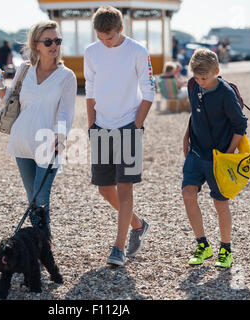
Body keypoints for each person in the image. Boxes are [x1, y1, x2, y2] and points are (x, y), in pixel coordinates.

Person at [0, 21, 77, 234]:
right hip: (21, 140)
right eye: (48, 41)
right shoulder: (25, 69)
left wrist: (60, 138)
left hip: (48, 143)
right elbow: (7, 100)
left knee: (40, 197)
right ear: (36, 44)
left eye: (57, 40)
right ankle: (40, 246)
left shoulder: (67, 76)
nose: (54, 45)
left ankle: (41, 246)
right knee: (32, 199)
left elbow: (66, 113)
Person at [84, 6, 155, 266]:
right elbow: (90, 89)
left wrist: (136, 126)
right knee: (105, 189)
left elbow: (149, 91)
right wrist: (91, 124)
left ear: (120, 29)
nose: (106, 43)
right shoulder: (91, 52)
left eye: (110, 37)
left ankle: (118, 247)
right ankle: (138, 224)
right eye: (101, 38)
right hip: (101, 126)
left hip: (128, 126)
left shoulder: (137, 51)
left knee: (125, 188)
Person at [182, 48, 248, 268]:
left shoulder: (226, 94)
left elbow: (240, 126)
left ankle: (225, 249)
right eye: (196, 77)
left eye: (205, 78)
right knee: (188, 193)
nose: (200, 82)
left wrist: (227, 156)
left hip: (218, 157)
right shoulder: (193, 85)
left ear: (217, 71)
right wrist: (186, 138)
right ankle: (203, 245)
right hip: (196, 152)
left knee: (220, 202)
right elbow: (194, 112)